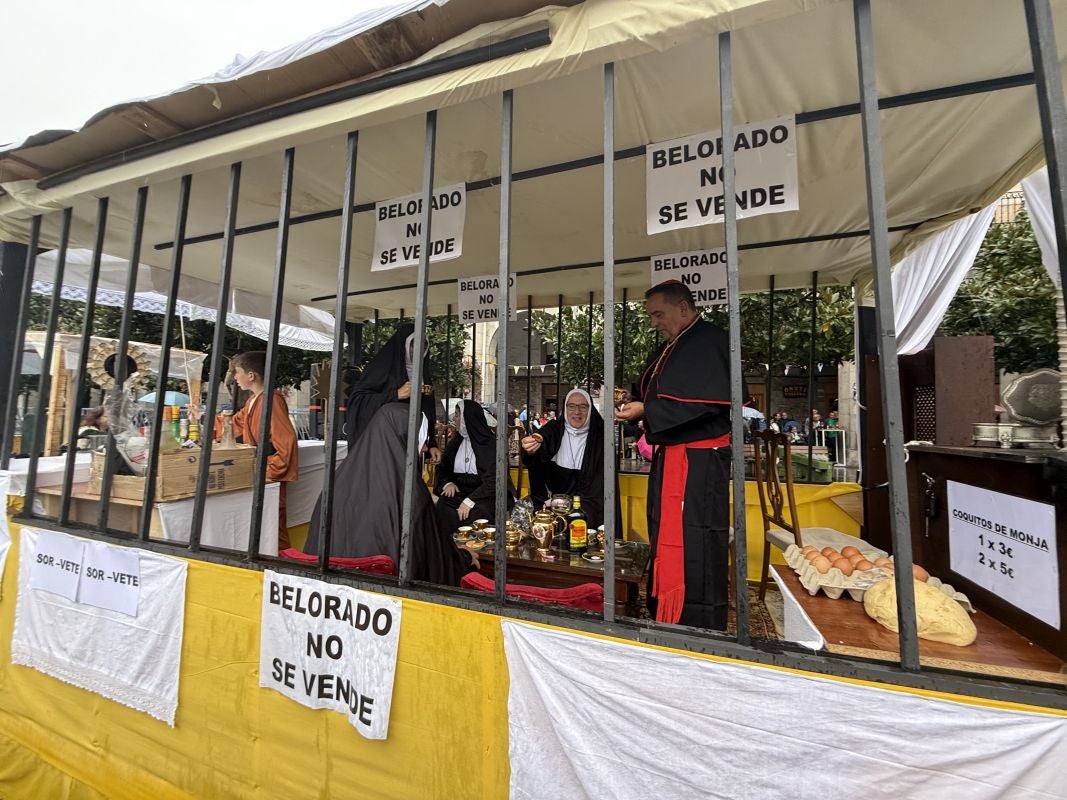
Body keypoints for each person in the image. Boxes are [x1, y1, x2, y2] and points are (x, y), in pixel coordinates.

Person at [615, 281, 744, 630]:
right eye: (650, 316)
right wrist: (640, 405)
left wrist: (647, 410)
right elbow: (661, 394)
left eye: (659, 314)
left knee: (696, 543)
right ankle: (665, 611)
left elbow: (704, 403)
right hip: (673, 458)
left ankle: (695, 623)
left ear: (683, 308)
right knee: (666, 536)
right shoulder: (676, 345)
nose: (654, 322)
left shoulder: (708, 341)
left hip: (698, 465)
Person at [303, 404, 477, 585]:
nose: (425, 448)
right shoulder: (410, 491)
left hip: (328, 594)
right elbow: (431, 556)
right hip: (383, 597)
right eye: (422, 439)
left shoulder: (335, 484)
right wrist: (463, 558)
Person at [223, 351, 299, 550]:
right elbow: (234, 424)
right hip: (258, 474)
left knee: (274, 529)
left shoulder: (272, 401)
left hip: (268, 476)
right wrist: (200, 417)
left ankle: (283, 567)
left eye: (237, 372)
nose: (235, 378)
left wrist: (266, 472)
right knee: (263, 528)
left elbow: (287, 443)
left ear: (251, 376)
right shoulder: (252, 401)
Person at [344, 324, 440, 467]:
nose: (419, 350)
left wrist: (431, 443)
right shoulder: (381, 367)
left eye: (424, 345)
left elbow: (427, 413)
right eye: (414, 345)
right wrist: (395, 394)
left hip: (411, 447)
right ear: (404, 344)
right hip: (383, 445)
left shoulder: (423, 374)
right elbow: (358, 401)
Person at [520, 387, 609, 529]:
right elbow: (535, 455)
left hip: (589, 506)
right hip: (554, 506)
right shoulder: (553, 431)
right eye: (571, 406)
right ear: (565, 409)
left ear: (591, 409)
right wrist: (530, 449)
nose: (577, 412)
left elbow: (598, 491)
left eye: (583, 406)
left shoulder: (601, 438)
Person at [434, 400, 510, 531]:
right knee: (444, 504)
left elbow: (495, 480)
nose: (454, 419)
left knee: (478, 512)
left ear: (467, 418)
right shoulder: (455, 443)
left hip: (483, 494)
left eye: (457, 415)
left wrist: (469, 501)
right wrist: (448, 483)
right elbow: (442, 468)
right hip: (459, 490)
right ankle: (448, 547)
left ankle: (472, 548)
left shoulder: (490, 445)